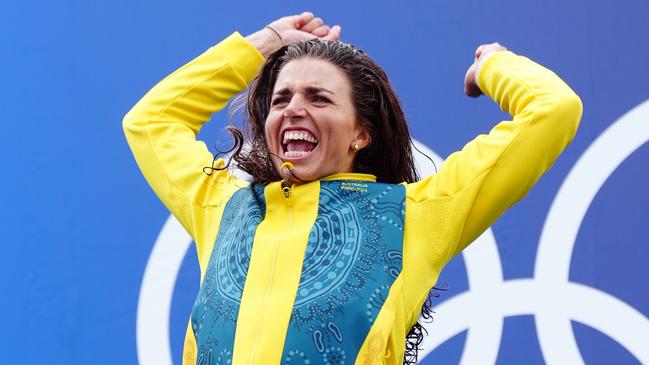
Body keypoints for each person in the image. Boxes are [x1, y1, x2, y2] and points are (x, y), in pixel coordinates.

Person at [123, 11, 582, 365]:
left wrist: (492, 66)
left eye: (318, 97)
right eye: (281, 99)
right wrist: (265, 44)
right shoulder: (223, 207)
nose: (294, 109)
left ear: (361, 134)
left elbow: (553, 109)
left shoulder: (414, 216)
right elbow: (148, 122)